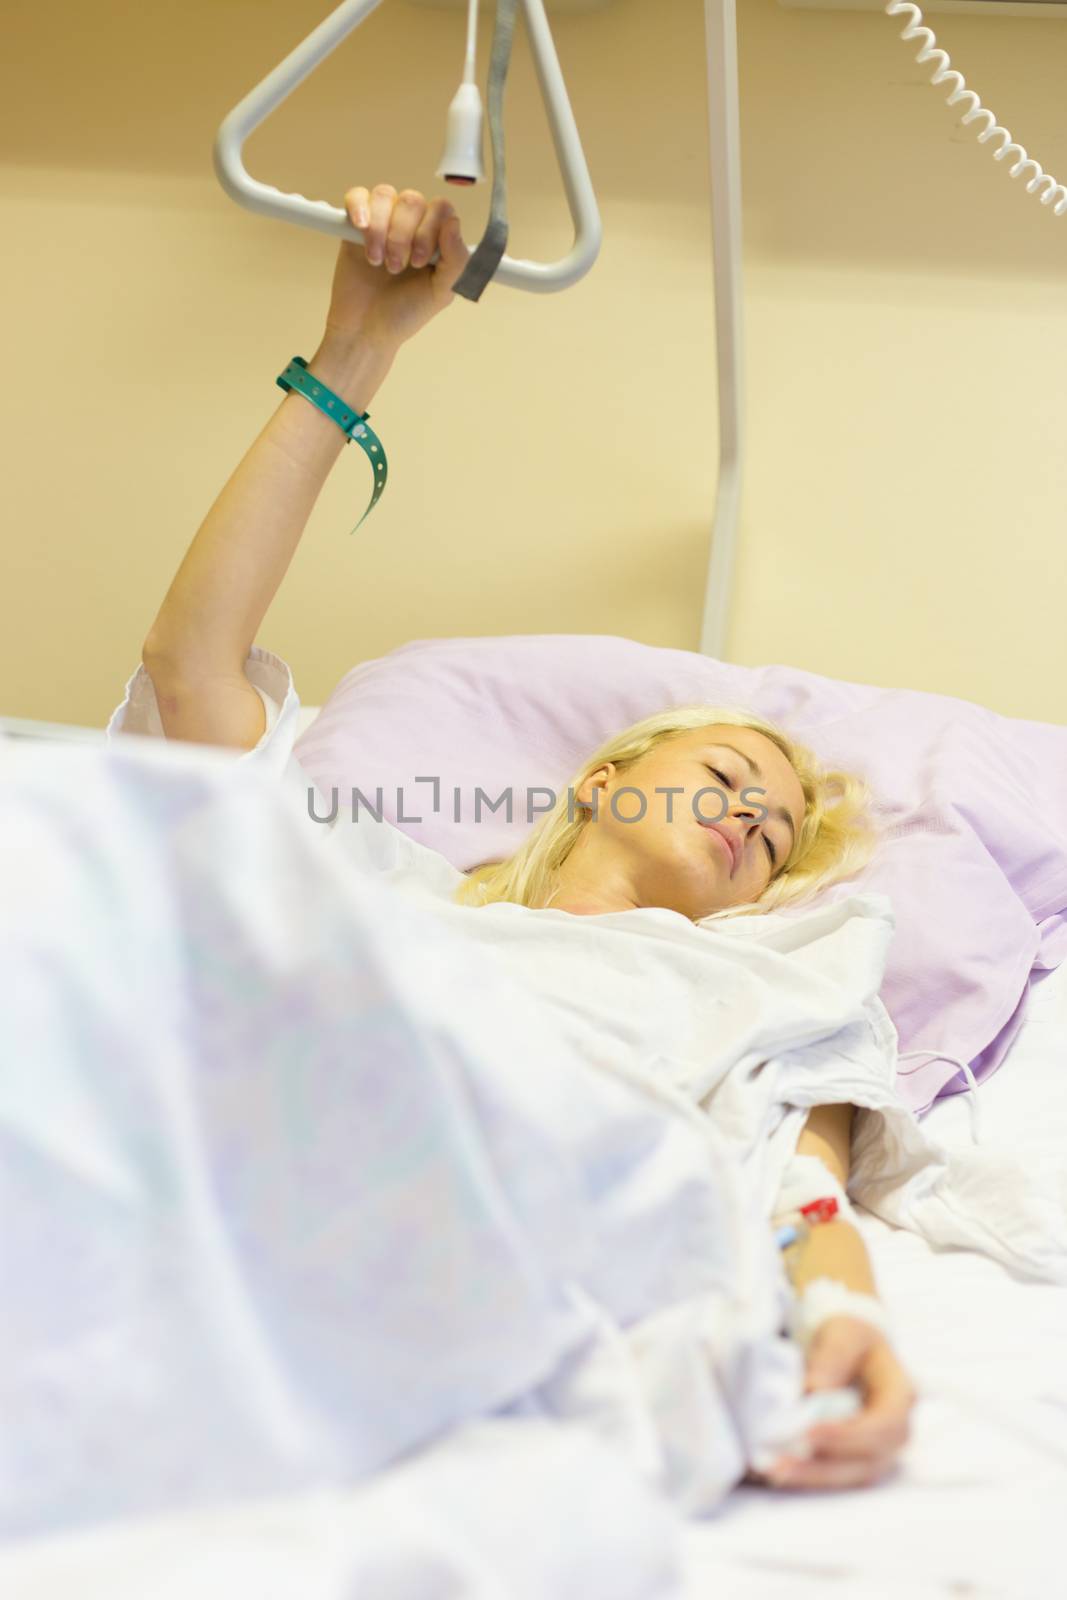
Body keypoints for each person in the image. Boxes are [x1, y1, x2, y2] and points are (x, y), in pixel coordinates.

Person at [119, 182, 917, 1492]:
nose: (746, 820)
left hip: (527, 1242)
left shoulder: (755, 985)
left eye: (772, 836)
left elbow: (803, 1186)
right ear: (608, 780)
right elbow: (189, 660)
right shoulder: (377, 884)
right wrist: (354, 355)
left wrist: (851, 1317)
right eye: (727, 774)